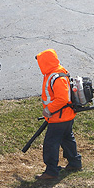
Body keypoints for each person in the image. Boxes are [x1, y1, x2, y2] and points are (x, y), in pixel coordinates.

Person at [35, 49, 82, 180]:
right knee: (67, 139)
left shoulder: (56, 77)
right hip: (65, 116)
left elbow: (62, 99)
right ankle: (75, 163)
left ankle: (51, 171)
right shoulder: (56, 73)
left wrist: (49, 109)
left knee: (51, 144)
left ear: (46, 62)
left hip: (58, 118)